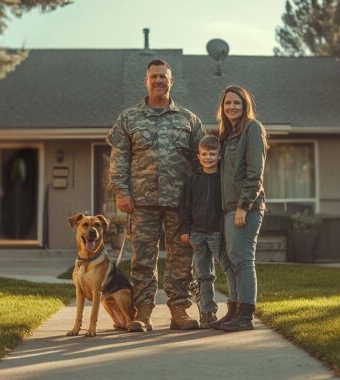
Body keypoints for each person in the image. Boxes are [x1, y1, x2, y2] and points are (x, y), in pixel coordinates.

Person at [106, 59, 205, 332]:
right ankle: (144, 311)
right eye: (154, 77)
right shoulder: (129, 118)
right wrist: (122, 193)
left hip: (179, 203)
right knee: (143, 260)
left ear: (171, 81)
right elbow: (119, 159)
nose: (159, 81)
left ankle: (179, 310)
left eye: (163, 76)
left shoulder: (189, 119)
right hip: (141, 202)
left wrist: (198, 201)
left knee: (181, 258)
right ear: (146, 82)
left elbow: (201, 164)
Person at [210, 85, 267, 332]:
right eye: (227, 103)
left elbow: (255, 173)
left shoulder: (252, 129)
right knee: (230, 260)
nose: (231, 106)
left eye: (237, 102)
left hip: (246, 208)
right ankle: (233, 312)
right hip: (228, 209)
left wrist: (244, 206)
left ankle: (245, 317)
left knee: (242, 260)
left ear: (245, 106)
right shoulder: (228, 134)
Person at [178, 135, 222, 329]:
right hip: (197, 233)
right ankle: (207, 312)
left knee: (230, 270)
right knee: (203, 275)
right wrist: (186, 229)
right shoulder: (192, 180)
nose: (208, 157)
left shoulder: (223, 180)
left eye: (212, 154)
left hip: (217, 233)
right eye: (205, 154)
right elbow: (184, 208)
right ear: (198, 156)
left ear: (219, 156)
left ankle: (236, 307)